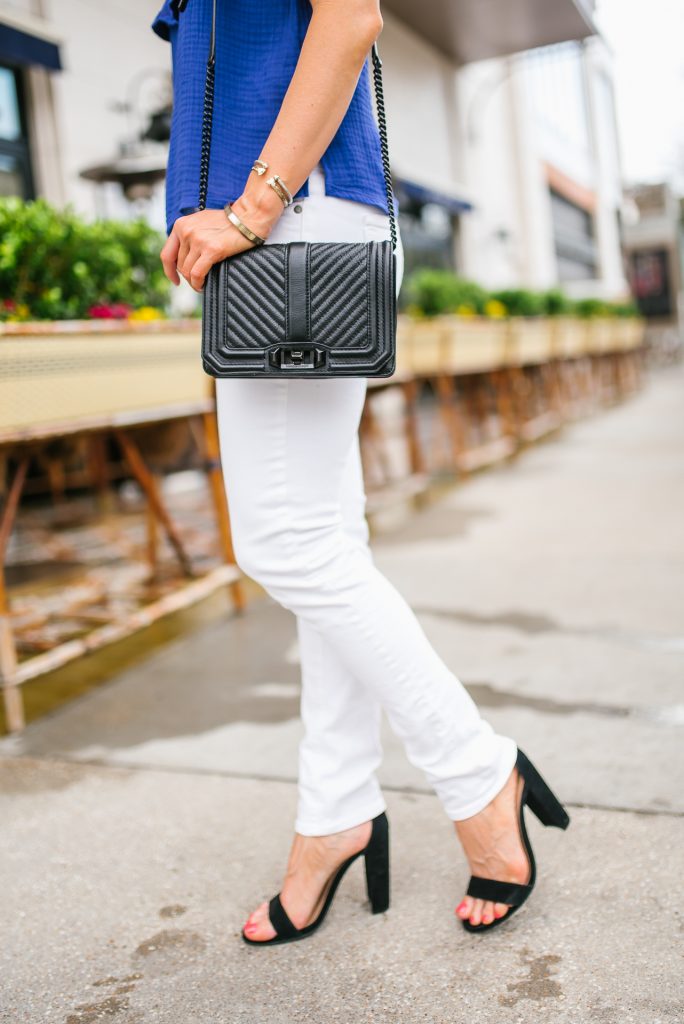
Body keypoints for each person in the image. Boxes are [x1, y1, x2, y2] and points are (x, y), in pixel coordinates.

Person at [152, 0, 570, 945]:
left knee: (287, 543)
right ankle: (334, 812)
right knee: (325, 539)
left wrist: (251, 208)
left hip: (288, 226)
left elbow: (348, 18)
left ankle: (478, 770)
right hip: (280, 228)